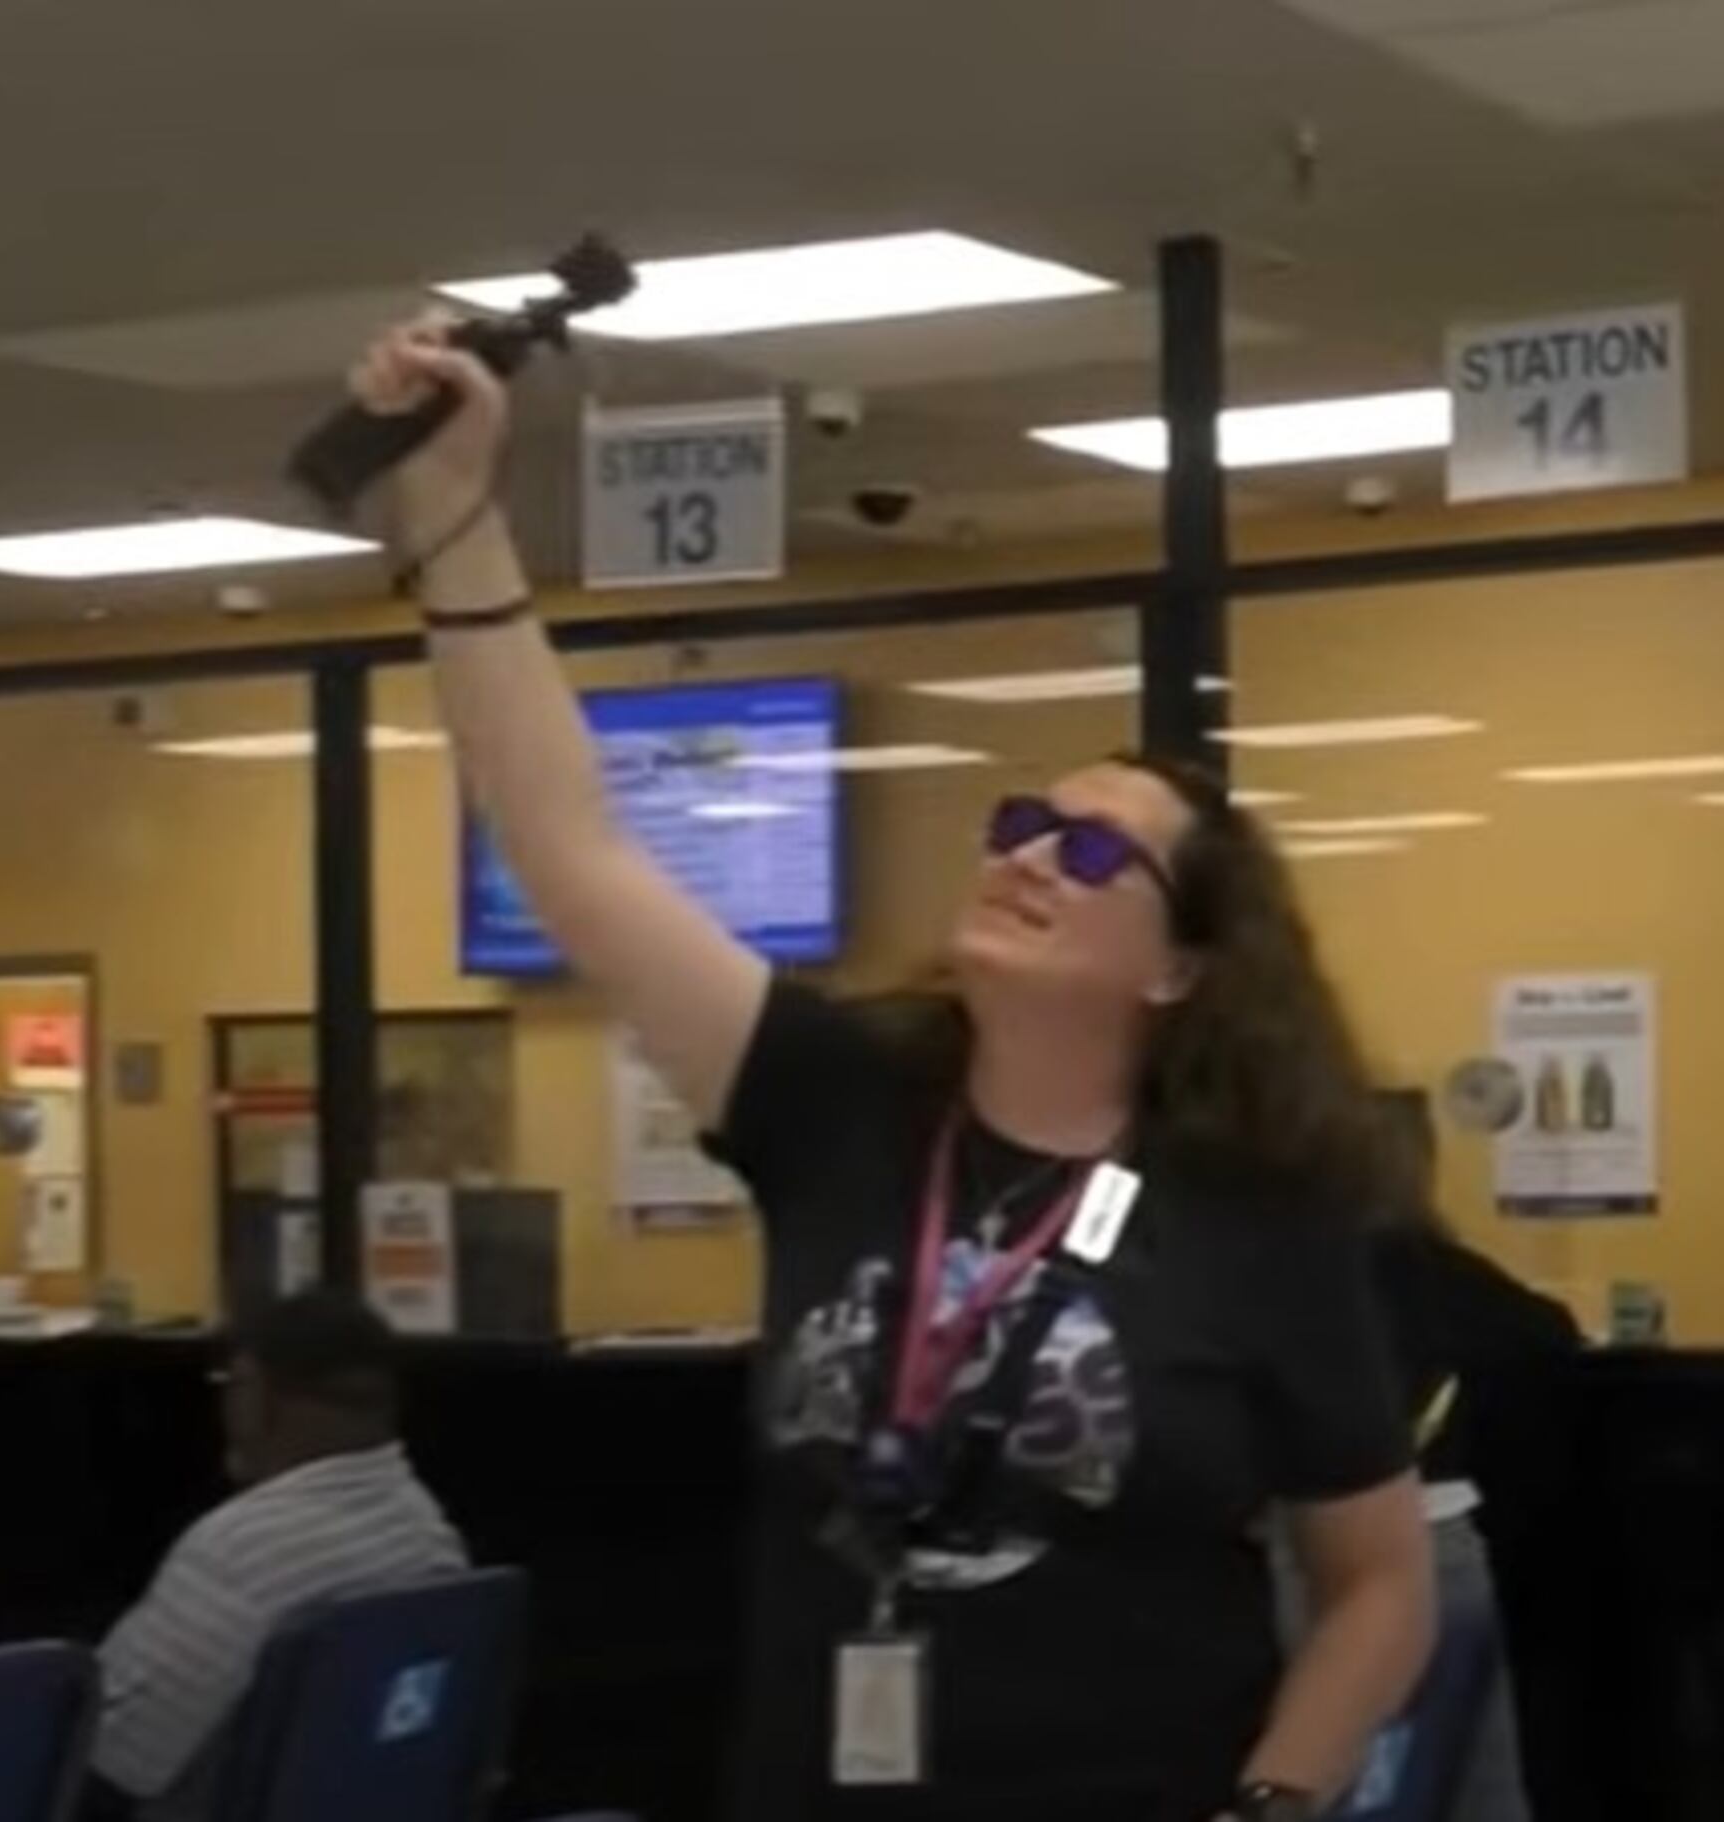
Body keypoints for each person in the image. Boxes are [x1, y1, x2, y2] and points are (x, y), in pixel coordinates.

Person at [342, 318, 1435, 1822]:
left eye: (1093, 852)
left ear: (1182, 967)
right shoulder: (836, 1100)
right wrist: (453, 513)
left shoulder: (1255, 1213)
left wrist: (1271, 1805)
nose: (1030, 855)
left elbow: (1381, 1582)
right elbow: (570, 849)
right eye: (1022, 824)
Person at [1279, 1096, 1581, 1822]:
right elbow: (1550, 1338)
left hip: (1318, 1553)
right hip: (1452, 1544)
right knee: (1481, 1782)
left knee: (1352, 1776)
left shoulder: (1289, 1276)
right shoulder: (1444, 1274)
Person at [92, 1290, 469, 1821]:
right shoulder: (431, 1536)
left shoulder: (240, 1549)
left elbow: (112, 1757)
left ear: (253, 1391)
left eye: (228, 1384)